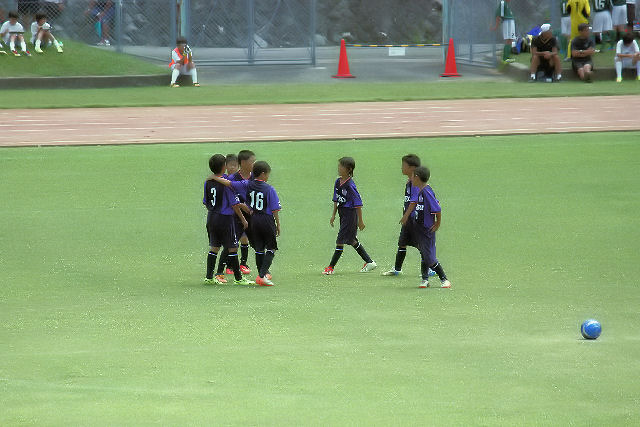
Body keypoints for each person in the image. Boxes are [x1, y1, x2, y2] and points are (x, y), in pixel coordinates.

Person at [210, 161, 282, 287]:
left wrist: (214, 177)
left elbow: (229, 183)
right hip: (265, 219)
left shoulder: (247, 184)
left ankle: (261, 273)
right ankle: (262, 275)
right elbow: (275, 209)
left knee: (259, 248)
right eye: (268, 174)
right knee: (271, 248)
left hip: (253, 219)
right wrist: (278, 224)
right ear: (263, 174)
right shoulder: (269, 189)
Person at [202, 154, 253, 286]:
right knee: (233, 248)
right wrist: (243, 219)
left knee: (214, 247)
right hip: (225, 219)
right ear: (224, 166)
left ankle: (209, 277)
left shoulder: (208, 182)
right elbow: (234, 204)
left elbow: (205, 201)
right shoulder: (226, 182)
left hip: (211, 217)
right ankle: (238, 278)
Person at [381, 154, 433, 277]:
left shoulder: (415, 183)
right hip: (409, 220)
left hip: (415, 220)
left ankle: (431, 268)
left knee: (421, 245)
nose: (401, 168)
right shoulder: (410, 182)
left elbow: (414, 201)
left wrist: (406, 216)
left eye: (404, 165)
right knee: (402, 242)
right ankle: (397, 269)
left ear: (412, 168)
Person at [323, 157, 377, 275]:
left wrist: (360, 221)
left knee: (340, 240)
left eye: (341, 166)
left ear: (349, 169)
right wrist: (333, 215)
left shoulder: (350, 185)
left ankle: (331, 267)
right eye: (339, 166)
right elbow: (336, 200)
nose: (338, 168)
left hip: (350, 215)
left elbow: (358, 203)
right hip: (342, 214)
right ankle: (369, 262)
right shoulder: (337, 182)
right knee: (352, 240)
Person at [410, 166, 451, 289]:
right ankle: (425, 279)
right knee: (424, 254)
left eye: (412, 176)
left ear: (417, 178)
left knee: (429, 257)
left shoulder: (426, 192)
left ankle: (444, 279)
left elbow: (437, 209)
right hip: (419, 229)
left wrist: (437, 223)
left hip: (426, 230)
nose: (411, 179)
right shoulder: (420, 191)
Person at [214, 153, 240, 283]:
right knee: (230, 245)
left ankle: (231, 269)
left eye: (235, 165)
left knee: (234, 245)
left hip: (236, 216)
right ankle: (220, 272)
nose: (233, 168)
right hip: (231, 217)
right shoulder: (226, 180)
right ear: (225, 166)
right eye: (230, 165)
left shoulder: (236, 179)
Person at [228, 150, 255, 274]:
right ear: (243, 163)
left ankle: (243, 263)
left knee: (245, 239)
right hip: (234, 214)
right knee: (233, 240)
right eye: (252, 161)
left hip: (250, 214)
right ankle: (229, 266)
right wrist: (240, 205)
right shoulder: (233, 178)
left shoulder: (255, 177)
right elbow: (230, 197)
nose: (254, 164)